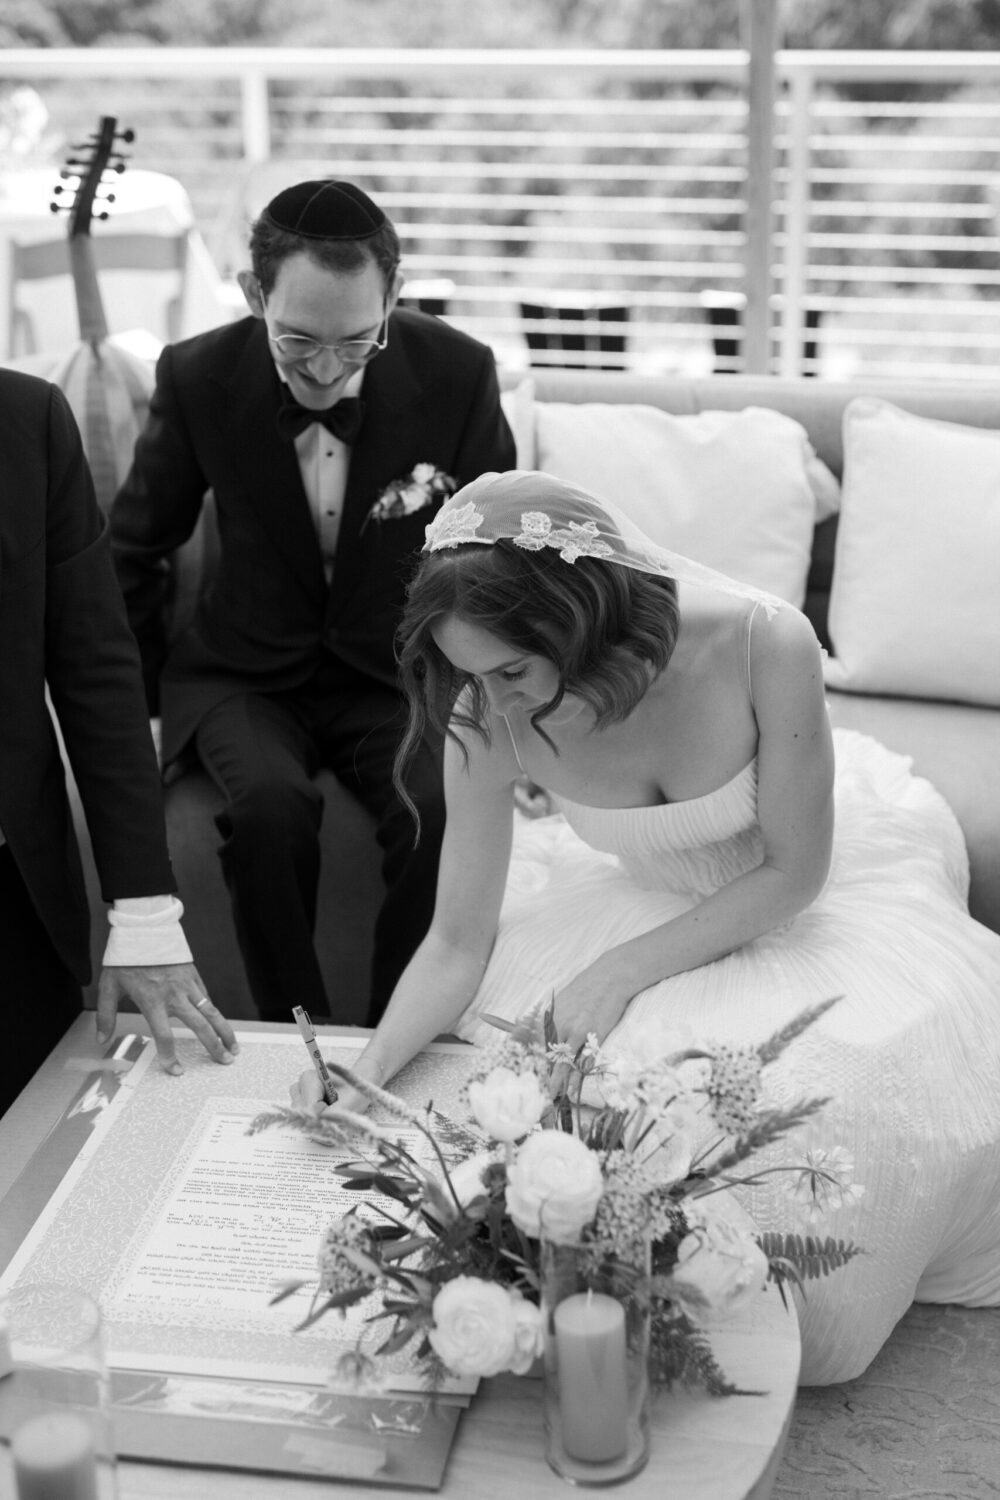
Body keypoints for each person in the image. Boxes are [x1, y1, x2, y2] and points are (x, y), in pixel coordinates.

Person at [293, 469, 1000, 1386]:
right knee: (575, 1130)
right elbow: (459, 939)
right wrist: (373, 1062)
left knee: (810, 1113)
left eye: (512, 671)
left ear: (579, 618)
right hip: (635, 891)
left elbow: (795, 872)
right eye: (473, 677)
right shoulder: (482, 707)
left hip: (796, 894)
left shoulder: (759, 643)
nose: (496, 705)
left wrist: (621, 972)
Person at [110, 179, 515, 1025]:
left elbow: (500, 549)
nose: (327, 371)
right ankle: (293, 1039)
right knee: (265, 812)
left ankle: (395, 1036)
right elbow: (135, 550)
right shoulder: (195, 376)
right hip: (244, 672)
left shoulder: (459, 373)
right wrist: (139, 710)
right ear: (255, 294)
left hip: (393, 669)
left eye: (356, 343)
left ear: (393, 296)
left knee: (437, 808)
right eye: (297, 343)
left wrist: (512, 699)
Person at [0, 368, 238, 1117]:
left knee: (34, 1173)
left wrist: (144, 916)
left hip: (9, 897)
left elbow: (96, 669)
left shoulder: (27, 419)